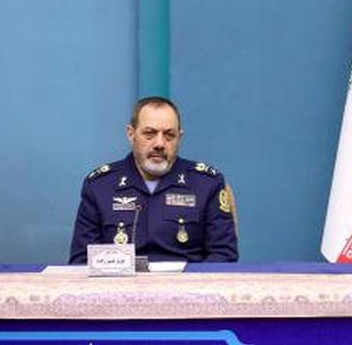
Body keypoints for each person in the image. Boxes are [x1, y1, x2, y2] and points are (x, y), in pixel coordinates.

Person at [69, 97, 238, 263]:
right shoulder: (100, 186)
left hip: (186, 281)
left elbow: (223, 256)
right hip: (120, 281)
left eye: (169, 135)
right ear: (131, 134)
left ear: (179, 138)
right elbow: (81, 262)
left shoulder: (206, 184)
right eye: (149, 134)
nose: (159, 144)